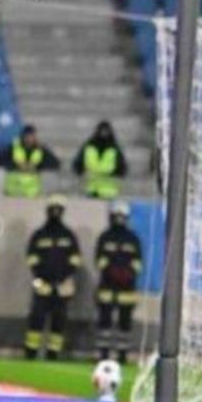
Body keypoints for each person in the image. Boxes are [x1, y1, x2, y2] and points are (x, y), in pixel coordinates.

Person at [24, 194, 81, 360]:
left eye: (59, 209)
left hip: (62, 285)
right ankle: (31, 352)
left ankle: (53, 353)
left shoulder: (68, 236)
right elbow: (32, 259)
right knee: (37, 319)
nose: (55, 213)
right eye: (53, 209)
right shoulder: (39, 235)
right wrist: (42, 276)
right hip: (42, 283)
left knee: (59, 321)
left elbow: (75, 259)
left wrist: (64, 277)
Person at [94, 201, 143, 364]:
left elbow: (138, 262)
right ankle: (103, 353)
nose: (119, 219)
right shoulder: (105, 237)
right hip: (107, 287)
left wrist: (127, 274)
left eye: (122, 216)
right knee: (104, 322)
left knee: (125, 323)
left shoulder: (132, 239)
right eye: (117, 216)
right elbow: (99, 260)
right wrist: (112, 272)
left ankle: (122, 354)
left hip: (127, 289)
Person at [0, 124, 61, 198]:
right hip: (13, 193)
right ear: (22, 136)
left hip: (32, 194)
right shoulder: (13, 147)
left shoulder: (41, 149)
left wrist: (37, 167)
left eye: (31, 136)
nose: (29, 139)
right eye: (27, 136)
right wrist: (16, 165)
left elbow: (55, 163)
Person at [72, 120, 127, 199]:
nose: (104, 133)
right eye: (102, 131)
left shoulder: (114, 148)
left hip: (108, 190)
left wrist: (115, 176)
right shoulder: (88, 146)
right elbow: (77, 164)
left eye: (106, 131)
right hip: (90, 188)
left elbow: (122, 168)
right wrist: (82, 174)